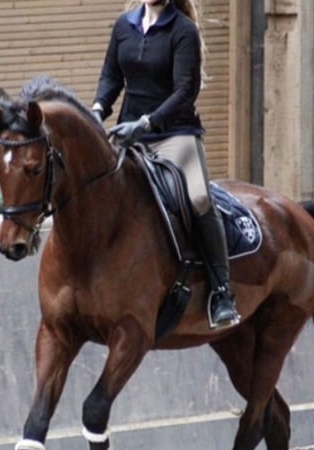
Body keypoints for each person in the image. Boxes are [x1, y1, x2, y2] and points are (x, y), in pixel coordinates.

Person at [91, 0, 241, 330]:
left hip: (175, 133)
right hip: (129, 133)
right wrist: (98, 109)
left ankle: (222, 291)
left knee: (199, 199)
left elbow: (185, 90)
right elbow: (111, 76)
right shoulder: (123, 26)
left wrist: (147, 123)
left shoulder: (182, 31)